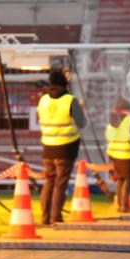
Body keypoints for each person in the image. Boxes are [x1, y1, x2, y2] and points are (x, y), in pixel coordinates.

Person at [37, 69, 87, 225]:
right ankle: (56, 217)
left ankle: (45, 218)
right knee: (60, 183)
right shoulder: (70, 100)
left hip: (47, 147)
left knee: (49, 182)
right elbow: (82, 123)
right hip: (66, 148)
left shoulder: (43, 100)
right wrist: (81, 108)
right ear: (65, 84)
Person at [105, 97, 130, 213]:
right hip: (128, 155)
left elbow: (108, 136)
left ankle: (120, 205)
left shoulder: (111, 122)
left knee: (120, 180)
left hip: (114, 155)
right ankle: (125, 206)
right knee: (128, 181)